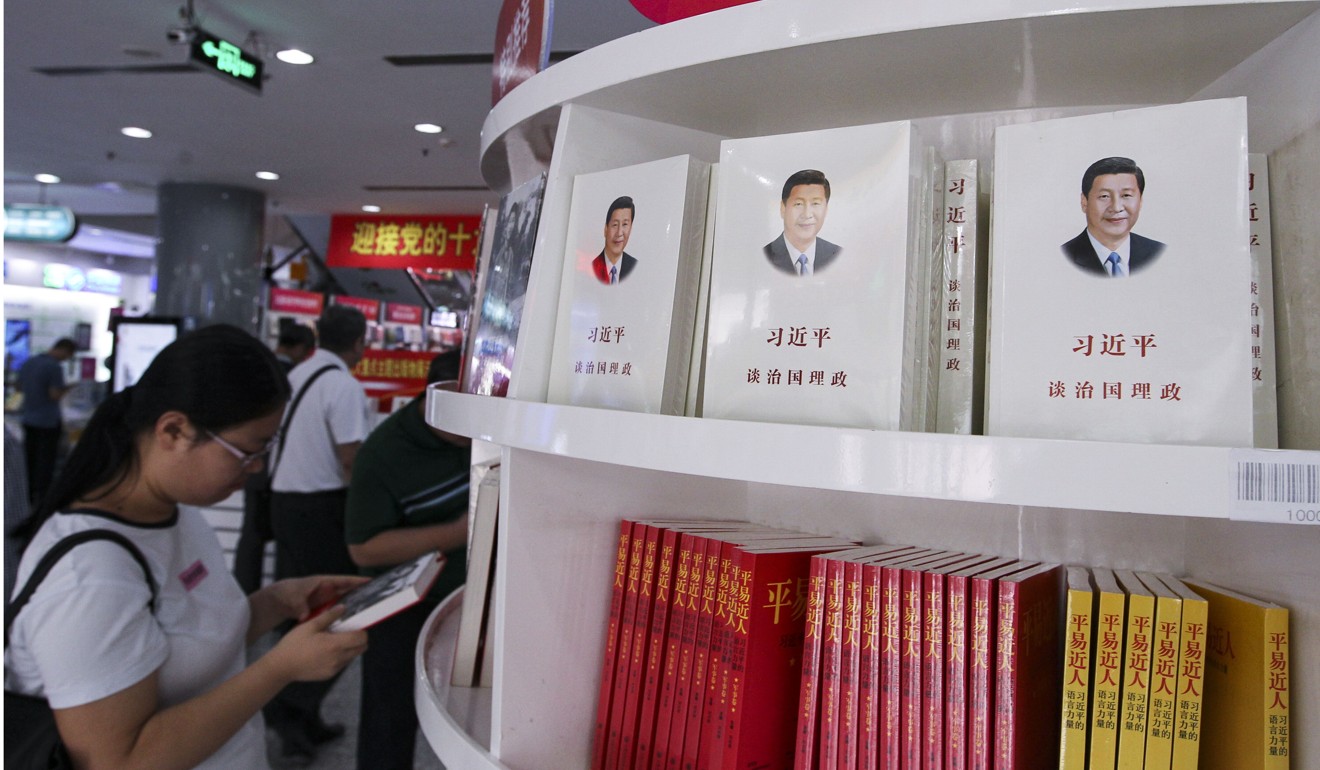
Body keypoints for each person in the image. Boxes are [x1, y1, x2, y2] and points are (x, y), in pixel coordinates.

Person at [4, 324, 368, 770]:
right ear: (174, 431)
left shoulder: (176, 513)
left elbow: (182, 648)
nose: (255, 469)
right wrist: (279, 669)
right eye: (247, 452)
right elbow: (119, 761)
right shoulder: (91, 578)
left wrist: (275, 603)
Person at [344, 350, 471, 770]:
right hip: (404, 609)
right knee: (390, 718)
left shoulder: (482, 433)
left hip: (469, 599)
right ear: (435, 397)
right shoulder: (383, 455)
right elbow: (364, 548)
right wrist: (456, 533)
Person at [264, 304, 371, 764]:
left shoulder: (295, 377)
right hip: (321, 511)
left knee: (302, 612)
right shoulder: (343, 386)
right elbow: (350, 459)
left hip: (283, 505)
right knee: (335, 614)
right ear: (359, 344)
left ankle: (303, 718)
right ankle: (287, 707)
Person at [231, 322, 319, 594]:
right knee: (284, 541)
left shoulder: (256, 370)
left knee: (251, 538)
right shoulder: (293, 378)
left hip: (254, 468)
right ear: (302, 349)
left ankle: (244, 596)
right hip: (282, 470)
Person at [1061, 156, 1165, 277]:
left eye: (1126, 195)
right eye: (1104, 196)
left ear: (1140, 201)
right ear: (1084, 202)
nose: (1116, 208)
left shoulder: (1158, 253)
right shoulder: (1063, 257)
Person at [17, 337, 76, 508]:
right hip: (47, 422)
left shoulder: (30, 362)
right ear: (64, 350)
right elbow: (54, 395)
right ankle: (42, 501)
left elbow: (19, 387)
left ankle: (27, 498)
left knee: (29, 460)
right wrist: (69, 387)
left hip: (28, 418)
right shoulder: (54, 367)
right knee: (45, 464)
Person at [764, 169, 841, 276]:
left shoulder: (838, 256)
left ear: (826, 209)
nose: (807, 214)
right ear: (783, 208)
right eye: (798, 204)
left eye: (815, 203)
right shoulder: (764, 257)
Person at [591, 196, 638, 285]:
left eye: (625, 224)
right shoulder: (592, 267)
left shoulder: (634, 266)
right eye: (615, 225)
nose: (619, 233)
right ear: (605, 229)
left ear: (631, 228)